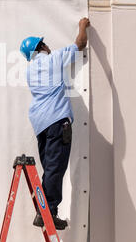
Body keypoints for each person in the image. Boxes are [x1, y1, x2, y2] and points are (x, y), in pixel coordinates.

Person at [20, 17, 90, 230]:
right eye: (44, 43)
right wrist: (82, 26)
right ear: (41, 47)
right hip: (57, 120)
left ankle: (45, 209)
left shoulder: (29, 71)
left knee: (49, 167)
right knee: (55, 167)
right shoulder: (53, 59)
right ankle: (48, 212)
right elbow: (80, 44)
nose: (48, 45)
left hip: (40, 123)